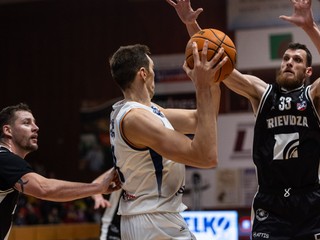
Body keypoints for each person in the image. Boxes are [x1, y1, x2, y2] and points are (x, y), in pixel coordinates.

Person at [167, 0, 320, 239]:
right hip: (270, 203)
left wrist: (310, 27)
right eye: (286, 58)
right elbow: (220, 61)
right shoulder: (262, 92)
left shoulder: (313, 97)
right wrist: (191, 23)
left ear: (308, 71)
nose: (289, 62)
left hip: (310, 201)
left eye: (297, 60)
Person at [108, 42, 224, 240]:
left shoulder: (148, 110)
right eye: (153, 70)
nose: (155, 76)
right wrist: (201, 87)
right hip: (152, 220)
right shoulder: (136, 119)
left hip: (156, 217)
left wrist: (212, 82)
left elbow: (202, 119)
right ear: (143, 74)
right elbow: (206, 157)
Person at [0, 103, 121, 240]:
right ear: (7, 130)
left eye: (34, 123)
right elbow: (44, 188)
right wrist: (98, 187)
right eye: (26, 123)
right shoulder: (4, 158)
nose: (36, 128)